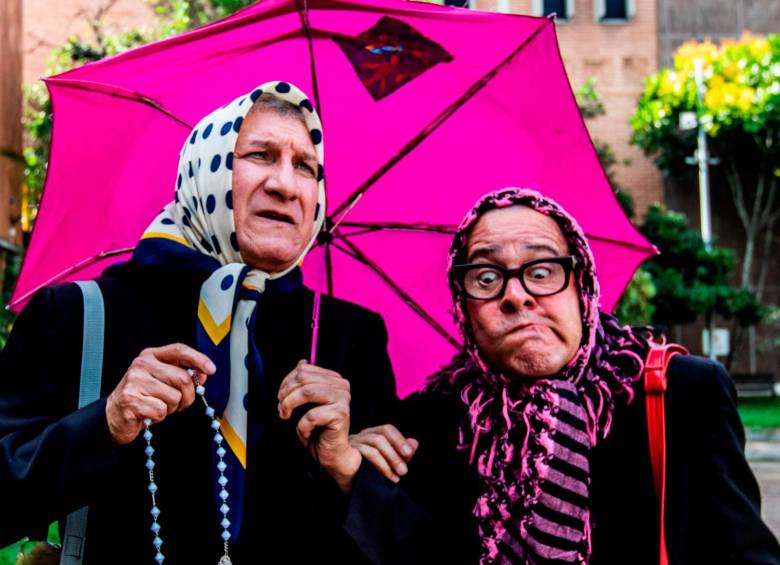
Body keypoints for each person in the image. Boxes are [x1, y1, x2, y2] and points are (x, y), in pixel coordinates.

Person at [0, 81, 399, 564]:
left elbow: (402, 543)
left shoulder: (346, 336)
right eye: (260, 155)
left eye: (305, 166)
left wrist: (349, 471)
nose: (285, 184)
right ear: (204, 168)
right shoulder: (78, 315)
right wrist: (105, 423)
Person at [350, 188, 780, 564]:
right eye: (485, 277)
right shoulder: (430, 423)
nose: (516, 296)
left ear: (582, 286)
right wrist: (354, 474)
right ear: (464, 307)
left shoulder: (680, 392)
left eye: (541, 272)